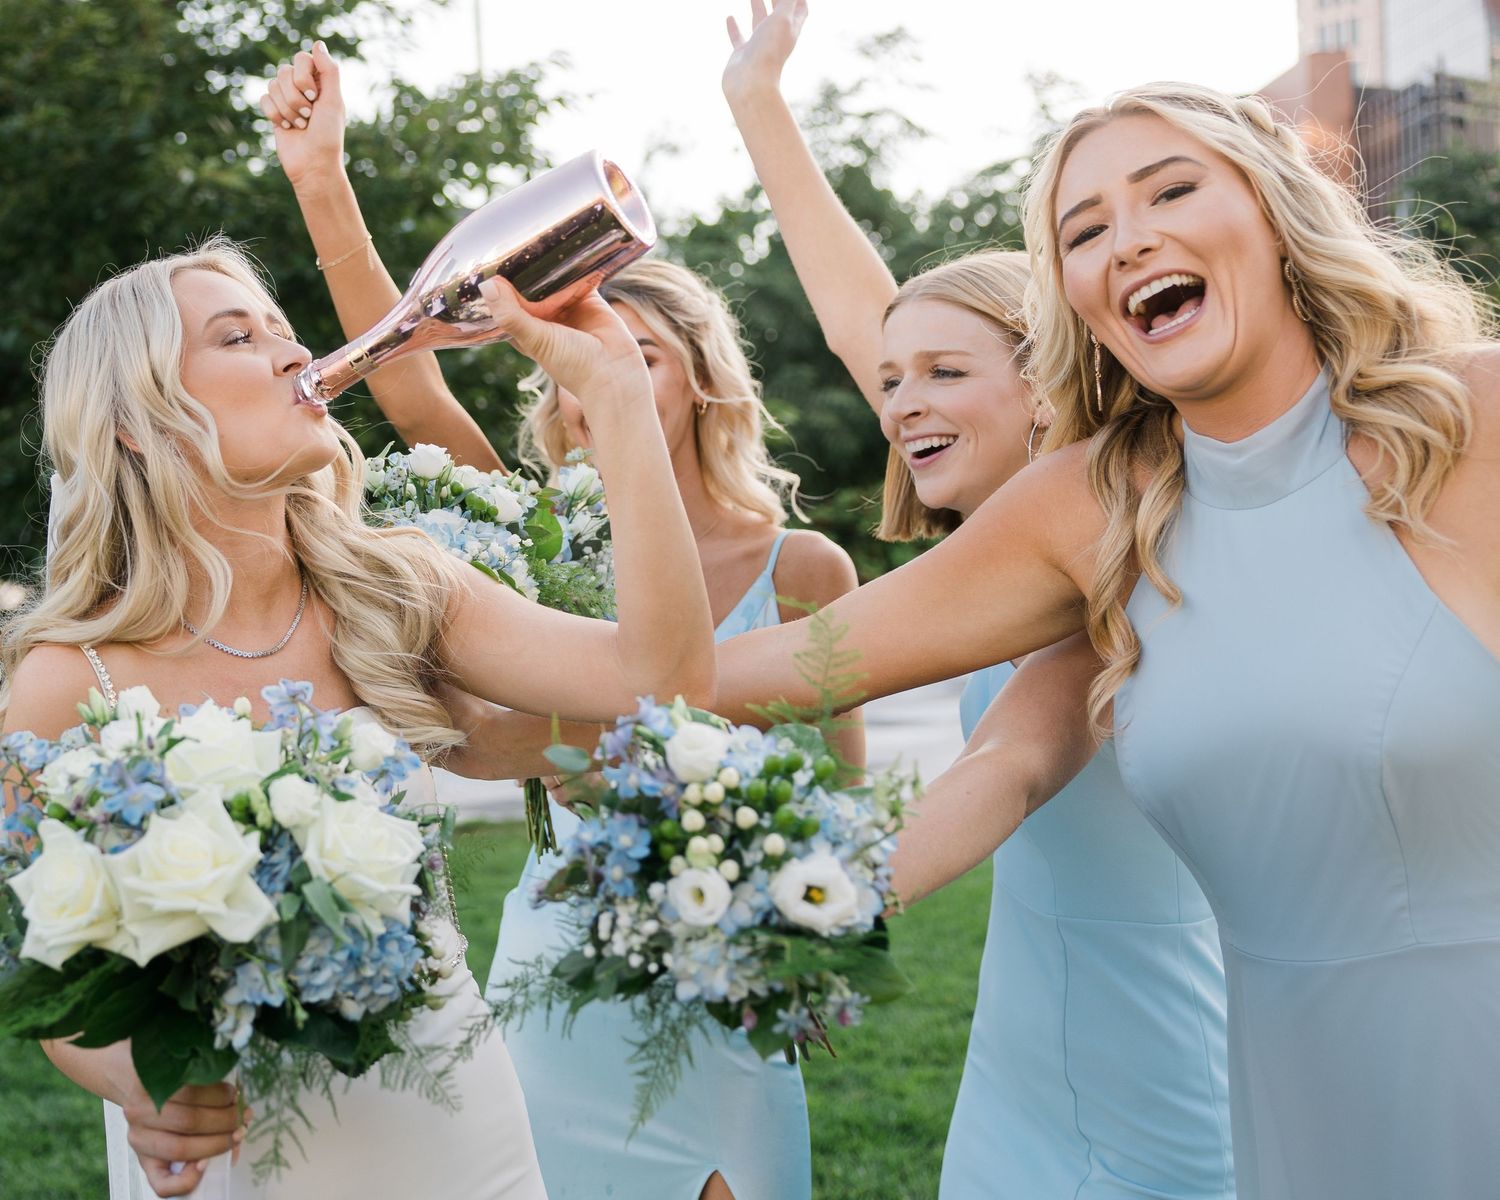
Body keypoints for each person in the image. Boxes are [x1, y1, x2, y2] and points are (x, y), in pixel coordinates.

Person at [714, 77, 1500, 1200]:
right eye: (1085, 231)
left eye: (1171, 191)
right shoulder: (1094, 522)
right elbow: (983, 746)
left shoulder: (1444, 434)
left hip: (1281, 1052)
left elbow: (1011, 761)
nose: (902, 404)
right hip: (1185, 1070)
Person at [261, 43, 861, 1200]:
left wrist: (816, 933)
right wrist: (322, 181)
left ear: (702, 378)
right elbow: (407, 381)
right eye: (572, 359)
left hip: (725, 959)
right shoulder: (537, 543)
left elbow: (840, 793)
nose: (595, 379)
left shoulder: (804, 568)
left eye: (635, 356)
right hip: (556, 963)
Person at [2, 231, 717, 1198]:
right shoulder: (66, 679)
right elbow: (34, 958)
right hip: (236, 1150)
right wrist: (128, 1077)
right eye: (238, 337)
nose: (296, 352)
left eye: (283, 330)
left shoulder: (399, 586)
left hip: (455, 1126)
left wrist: (619, 392)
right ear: (136, 419)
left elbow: (660, 677)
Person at [718, 5, 1236, 1195]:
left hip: (1165, 1061)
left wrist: (834, 904)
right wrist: (758, 101)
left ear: (1046, 389)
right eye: (892, 381)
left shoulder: (1122, 555)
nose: (901, 403)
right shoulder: (997, 532)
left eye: (945, 374)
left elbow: (1009, 764)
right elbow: (867, 321)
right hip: (1020, 1048)